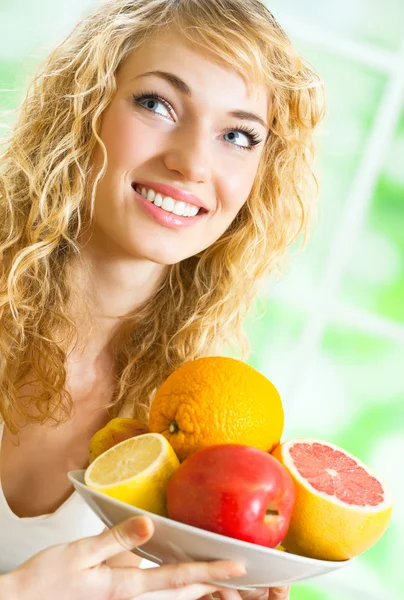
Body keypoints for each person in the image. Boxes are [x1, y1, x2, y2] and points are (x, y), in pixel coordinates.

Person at [0, 0, 324, 598]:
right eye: (157, 104)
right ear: (81, 107)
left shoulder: (200, 423)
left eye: (237, 135)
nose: (193, 162)